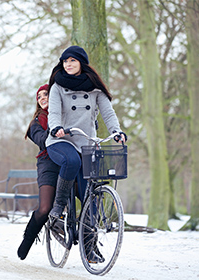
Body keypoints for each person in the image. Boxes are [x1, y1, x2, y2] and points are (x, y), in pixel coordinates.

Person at [45, 45, 127, 262]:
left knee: (92, 197)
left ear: (82, 62)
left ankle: (89, 247)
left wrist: (116, 132)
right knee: (71, 161)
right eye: (65, 61)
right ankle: (58, 207)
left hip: (87, 143)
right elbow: (53, 112)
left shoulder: (95, 89)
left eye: (72, 61)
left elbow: (109, 113)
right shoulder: (57, 87)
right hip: (60, 141)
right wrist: (55, 127)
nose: (68, 65)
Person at [17, 84, 61, 260]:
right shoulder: (38, 121)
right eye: (39, 96)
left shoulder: (67, 114)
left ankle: (90, 243)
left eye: (46, 94)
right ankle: (27, 239)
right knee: (44, 208)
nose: (42, 98)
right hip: (48, 162)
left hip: (70, 158)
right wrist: (54, 129)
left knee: (87, 195)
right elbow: (41, 140)